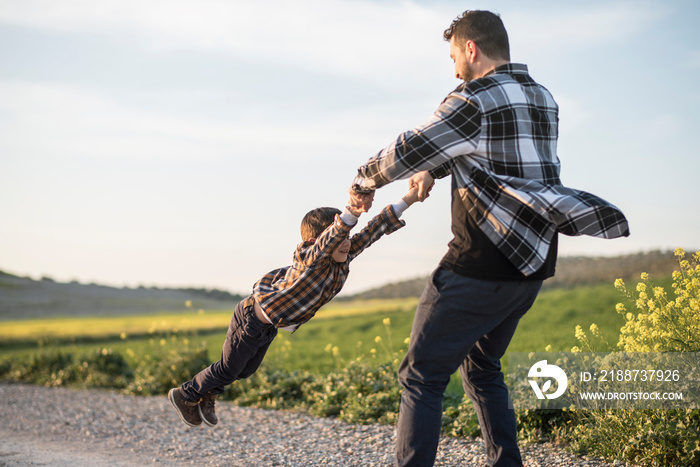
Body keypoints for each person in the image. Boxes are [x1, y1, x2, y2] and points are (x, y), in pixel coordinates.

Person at [350, 10, 629, 467]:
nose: (454, 67)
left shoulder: (471, 98)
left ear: (472, 50)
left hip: (478, 264)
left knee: (420, 376)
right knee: (482, 367)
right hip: (532, 264)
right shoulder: (542, 97)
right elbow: (492, 154)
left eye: (454, 55)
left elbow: (410, 147)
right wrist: (434, 169)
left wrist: (364, 180)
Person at [168, 186, 424, 428]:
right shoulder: (309, 258)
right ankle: (185, 394)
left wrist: (409, 199)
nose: (346, 241)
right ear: (315, 241)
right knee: (228, 368)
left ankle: (207, 392)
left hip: (268, 326)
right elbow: (329, 239)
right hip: (251, 318)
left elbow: (373, 231)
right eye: (340, 236)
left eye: (347, 237)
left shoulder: (341, 257)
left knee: (245, 371)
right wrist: (353, 211)